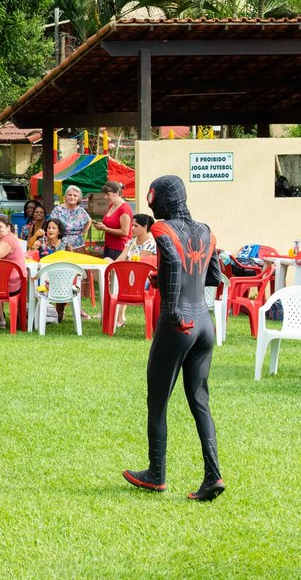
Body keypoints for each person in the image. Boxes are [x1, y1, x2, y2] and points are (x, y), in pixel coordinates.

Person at [124, 175, 224, 501]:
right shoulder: (206, 231)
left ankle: (156, 473)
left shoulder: (163, 229)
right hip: (204, 324)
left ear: (162, 199)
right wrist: (168, 279)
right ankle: (213, 475)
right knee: (200, 402)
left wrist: (175, 307)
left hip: (177, 321)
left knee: (158, 400)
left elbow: (173, 262)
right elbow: (213, 274)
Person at [114, 214, 158, 329]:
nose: (132, 228)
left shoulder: (151, 245)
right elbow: (121, 258)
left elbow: (140, 265)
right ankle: (116, 316)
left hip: (144, 279)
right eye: (132, 225)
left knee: (123, 281)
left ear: (145, 227)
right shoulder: (131, 242)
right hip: (128, 275)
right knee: (114, 271)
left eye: (135, 226)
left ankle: (118, 317)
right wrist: (112, 266)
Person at [95, 180, 133, 260]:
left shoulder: (124, 209)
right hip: (108, 246)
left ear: (116, 193)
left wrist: (105, 229)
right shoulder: (111, 206)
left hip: (119, 249)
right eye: (105, 194)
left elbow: (124, 232)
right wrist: (101, 226)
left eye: (108, 194)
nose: (105, 197)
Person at [51, 185, 91, 250]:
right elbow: (51, 225)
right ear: (65, 197)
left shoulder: (80, 210)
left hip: (78, 245)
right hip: (62, 245)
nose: (72, 197)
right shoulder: (58, 210)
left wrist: (83, 233)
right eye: (69, 195)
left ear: (79, 198)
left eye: (75, 195)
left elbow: (89, 221)